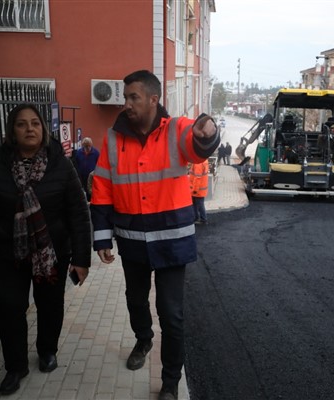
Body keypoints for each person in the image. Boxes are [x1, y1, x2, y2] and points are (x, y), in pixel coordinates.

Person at [90, 70, 219, 400]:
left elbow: (198, 144)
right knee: (135, 301)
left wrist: (208, 131)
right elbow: (102, 186)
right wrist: (102, 238)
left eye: (134, 97)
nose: (127, 103)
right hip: (132, 240)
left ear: (153, 99)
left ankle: (171, 382)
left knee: (171, 314)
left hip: (172, 241)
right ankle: (143, 338)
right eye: (125, 97)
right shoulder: (114, 138)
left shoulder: (176, 130)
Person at [0, 104, 92, 396]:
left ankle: (47, 350)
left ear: (43, 129)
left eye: (35, 123)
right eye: (22, 124)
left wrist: (81, 259)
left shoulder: (60, 165)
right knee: (9, 308)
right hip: (6, 254)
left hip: (51, 255)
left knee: (50, 305)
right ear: (12, 131)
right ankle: (15, 366)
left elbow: (78, 212)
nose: (30, 129)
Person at [74, 136, 100, 201]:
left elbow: (99, 164)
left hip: (91, 177)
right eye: (86, 146)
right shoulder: (79, 153)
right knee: (81, 190)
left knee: (90, 191)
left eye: (89, 146)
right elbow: (76, 163)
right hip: (81, 175)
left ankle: (90, 201)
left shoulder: (96, 153)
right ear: (83, 146)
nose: (88, 148)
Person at [189, 159, 209, 225]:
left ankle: (203, 219)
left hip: (197, 190)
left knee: (199, 205)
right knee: (197, 205)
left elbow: (197, 178)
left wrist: (195, 190)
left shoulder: (198, 163)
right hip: (200, 189)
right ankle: (197, 218)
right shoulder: (203, 160)